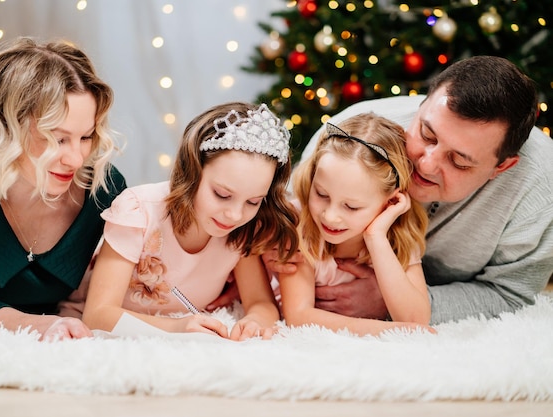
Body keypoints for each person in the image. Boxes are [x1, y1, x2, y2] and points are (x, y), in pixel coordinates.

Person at [265, 55, 553, 324]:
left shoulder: (541, 189)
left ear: (501, 167)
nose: (426, 165)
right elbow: (285, 210)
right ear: (422, 104)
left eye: (458, 161)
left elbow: (511, 293)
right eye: (427, 135)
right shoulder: (347, 135)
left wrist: (393, 300)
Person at [0, 37, 127, 340]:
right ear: (5, 129)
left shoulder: (104, 187)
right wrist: (42, 325)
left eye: (85, 137)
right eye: (57, 139)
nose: (76, 158)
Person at [79, 102, 299, 341]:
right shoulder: (138, 212)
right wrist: (176, 329)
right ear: (192, 172)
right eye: (222, 195)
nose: (235, 215)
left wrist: (254, 321)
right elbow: (97, 315)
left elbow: (261, 302)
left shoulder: (243, 230)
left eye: (253, 202)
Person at [277, 113, 431, 335]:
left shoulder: (396, 234)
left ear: (390, 202)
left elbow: (416, 319)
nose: (330, 216)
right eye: (321, 194)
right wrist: (387, 330)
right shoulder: (300, 222)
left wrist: (376, 237)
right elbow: (298, 315)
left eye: (351, 207)